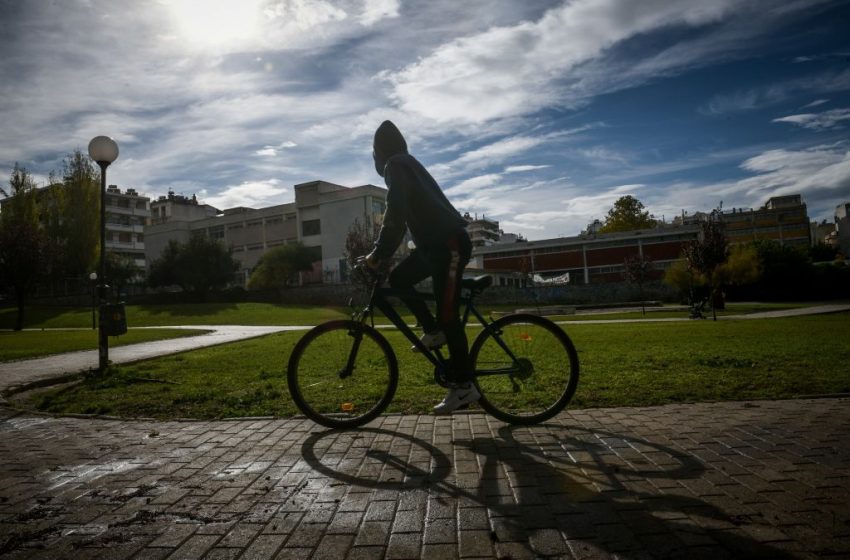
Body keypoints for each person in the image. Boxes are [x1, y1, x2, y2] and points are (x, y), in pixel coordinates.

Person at [363, 120, 478, 415]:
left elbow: (395, 214)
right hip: (435, 247)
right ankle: (433, 329)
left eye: (374, 153)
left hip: (449, 244)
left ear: (379, 151)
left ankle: (465, 386)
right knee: (399, 278)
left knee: (449, 314)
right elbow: (400, 218)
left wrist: (378, 252)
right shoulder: (406, 163)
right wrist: (383, 254)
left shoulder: (395, 166)